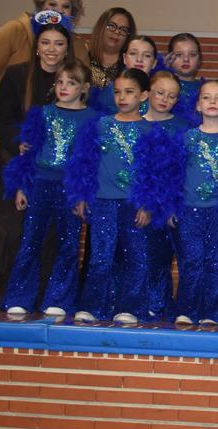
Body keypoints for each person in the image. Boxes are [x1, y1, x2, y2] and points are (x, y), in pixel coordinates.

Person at [0, 0, 87, 258]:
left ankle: (13, 283)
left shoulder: (78, 47)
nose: (59, 10)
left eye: (66, 7)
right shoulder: (14, 31)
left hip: (49, 149)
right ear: (39, 7)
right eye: (52, 4)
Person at [134, 81, 218, 325]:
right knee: (192, 260)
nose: (212, 102)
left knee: (216, 262)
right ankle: (186, 309)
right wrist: (169, 207)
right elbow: (172, 176)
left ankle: (211, 312)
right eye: (206, 98)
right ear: (198, 104)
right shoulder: (186, 138)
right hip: (188, 210)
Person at [0, 22, 76, 304]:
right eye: (46, 43)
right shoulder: (16, 75)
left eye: (59, 44)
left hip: (54, 171)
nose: (52, 49)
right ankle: (8, 289)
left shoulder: (70, 80)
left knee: (50, 233)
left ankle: (42, 295)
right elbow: (1, 118)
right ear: (37, 46)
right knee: (13, 229)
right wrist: (19, 144)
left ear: (66, 50)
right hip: (19, 164)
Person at [0, 61, 94, 316]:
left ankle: (59, 299)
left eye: (71, 83)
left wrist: (83, 195)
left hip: (69, 188)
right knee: (30, 240)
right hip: (40, 184)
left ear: (84, 88)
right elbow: (27, 154)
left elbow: (90, 162)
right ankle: (19, 296)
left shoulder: (92, 119)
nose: (63, 87)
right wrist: (22, 187)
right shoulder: (42, 113)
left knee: (68, 243)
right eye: (60, 82)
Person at [65, 68, 154, 324]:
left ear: (143, 95)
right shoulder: (101, 125)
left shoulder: (151, 131)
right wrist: (82, 196)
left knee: (135, 256)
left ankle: (129, 308)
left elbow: (153, 173)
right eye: (117, 92)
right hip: (103, 202)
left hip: (134, 203)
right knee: (101, 256)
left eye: (129, 92)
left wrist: (147, 204)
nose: (122, 97)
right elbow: (85, 164)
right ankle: (93, 306)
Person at [85, 7, 136, 88]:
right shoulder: (83, 57)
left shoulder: (132, 65)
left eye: (123, 30)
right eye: (111, 26)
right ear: (100, 28)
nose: (117, 32)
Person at [166, 33, 204, 124]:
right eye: (179, 55)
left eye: (192, 54)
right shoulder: (159, 87)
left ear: (200, 60)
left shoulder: (206, 89)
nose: (186, 59)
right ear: (169, 58)